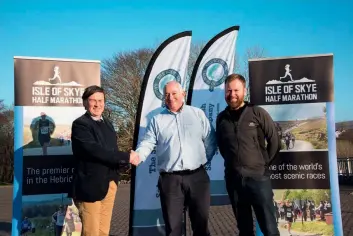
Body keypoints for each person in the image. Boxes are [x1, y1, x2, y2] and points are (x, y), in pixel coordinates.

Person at [132, 81, 217, 236]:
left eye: (174, 93)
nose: (170, 98)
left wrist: (202, 161)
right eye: (167, 95)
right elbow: (148, 142)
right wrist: (138, 155)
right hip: (170, 181)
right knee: (173, 228)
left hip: (198, 178)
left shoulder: (197, 114)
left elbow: (211, 140)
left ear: (183, 93)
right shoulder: (157, 120)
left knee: (201, 225)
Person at [216, 74, 281, 236]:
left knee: (269, 228)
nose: (232, 94)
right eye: (228, 90)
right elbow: (223, 147)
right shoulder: (221, 118)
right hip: (234, 182)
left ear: (244, 90)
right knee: (244, 230)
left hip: (258, 180)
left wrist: (263, 166)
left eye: (236, 90)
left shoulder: (257, 113)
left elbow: (275, 142)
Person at [70, 85, 139, 236]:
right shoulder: (80, 124)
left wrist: (122, 166)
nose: (97, 104)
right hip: (90, 188)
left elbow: (111, 151)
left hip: (110, 184)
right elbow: (95, 151)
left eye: (100, 100)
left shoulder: (108, 123)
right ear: (84, 103)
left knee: (103, 231)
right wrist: (126, 156)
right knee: (91, 232)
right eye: (92, 100)